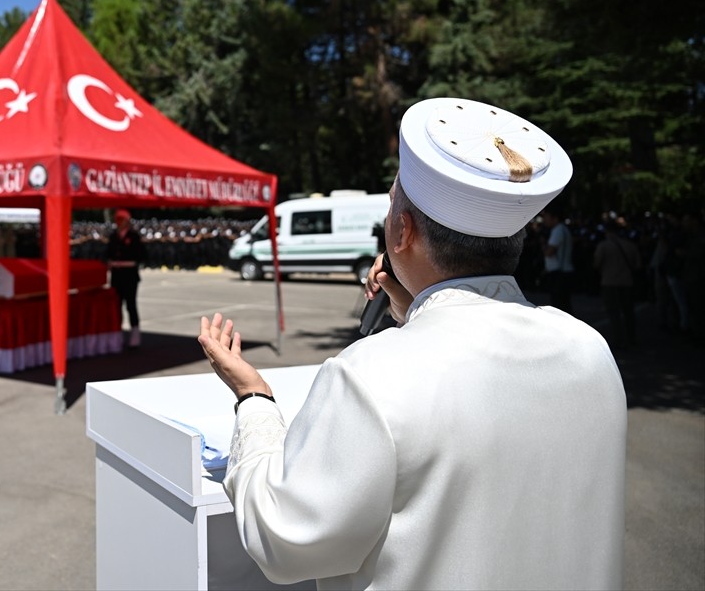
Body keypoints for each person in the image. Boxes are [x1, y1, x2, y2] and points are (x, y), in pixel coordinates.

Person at [197, 97, 626, 590]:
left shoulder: (371, 375)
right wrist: (413, 309)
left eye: (390, 202)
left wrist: (253, 400)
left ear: (401, 232)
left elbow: (282, 540)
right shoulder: (589, 349)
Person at [594, 216, 642, 349]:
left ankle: (618, 339)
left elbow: (597, 263)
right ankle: (631, 338)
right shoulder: (630, 245)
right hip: (627, 282)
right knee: (628, 312)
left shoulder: (603, 246)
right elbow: (638, 265)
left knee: (614, 312)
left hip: (609, 282)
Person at [107, 208, 146, 348]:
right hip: (116, 276)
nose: (118, 222)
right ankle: (117, 333)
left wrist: (126, 263)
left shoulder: (134, 236)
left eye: (121, 219)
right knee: (116, 306)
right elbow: (107, 253)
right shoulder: (113, 235)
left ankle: (135, 332)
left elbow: (141, 256)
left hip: (129, 276)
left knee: (131, 305)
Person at [541, 206, 576, 314]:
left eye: (546, 217)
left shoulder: (558, 230)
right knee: (564, 305)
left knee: (560, 307)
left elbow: (549, 252)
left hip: (559, 273)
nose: (545, 220)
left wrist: (543, 245)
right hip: (564, 271)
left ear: (555, 218)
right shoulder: (563, 229)